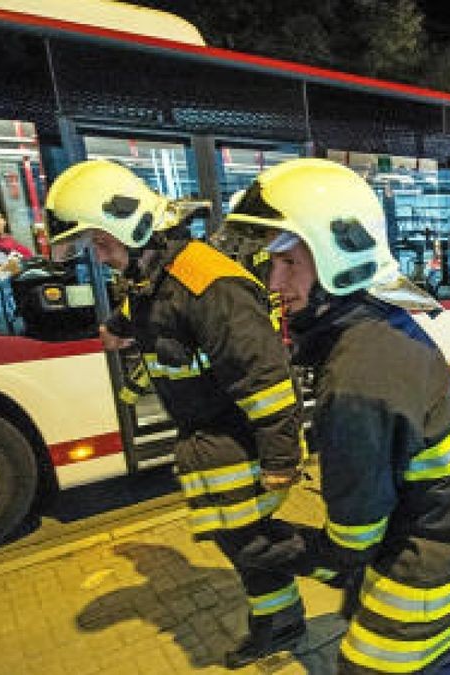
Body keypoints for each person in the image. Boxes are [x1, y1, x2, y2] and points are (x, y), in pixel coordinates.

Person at [226, 159, 450, 675]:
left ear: (338, 255)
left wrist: (299, 549)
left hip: (444, 557)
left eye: (289, 263)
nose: (275, 282)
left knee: (366, 665)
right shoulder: (378, 321)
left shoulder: (354, 376)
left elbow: (355, 536)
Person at [44, 160, 311, 668]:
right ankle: (278, 620)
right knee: (239, 543)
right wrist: (118, 325)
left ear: (132, 226)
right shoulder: (156, 277)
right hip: (206, 440)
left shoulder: (208, 283)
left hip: (234, 439)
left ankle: (344, 571)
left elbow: (267, 379)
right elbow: (150, 314)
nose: (99, 258)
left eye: (101, 244)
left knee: (250, 543)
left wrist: (280, 459)